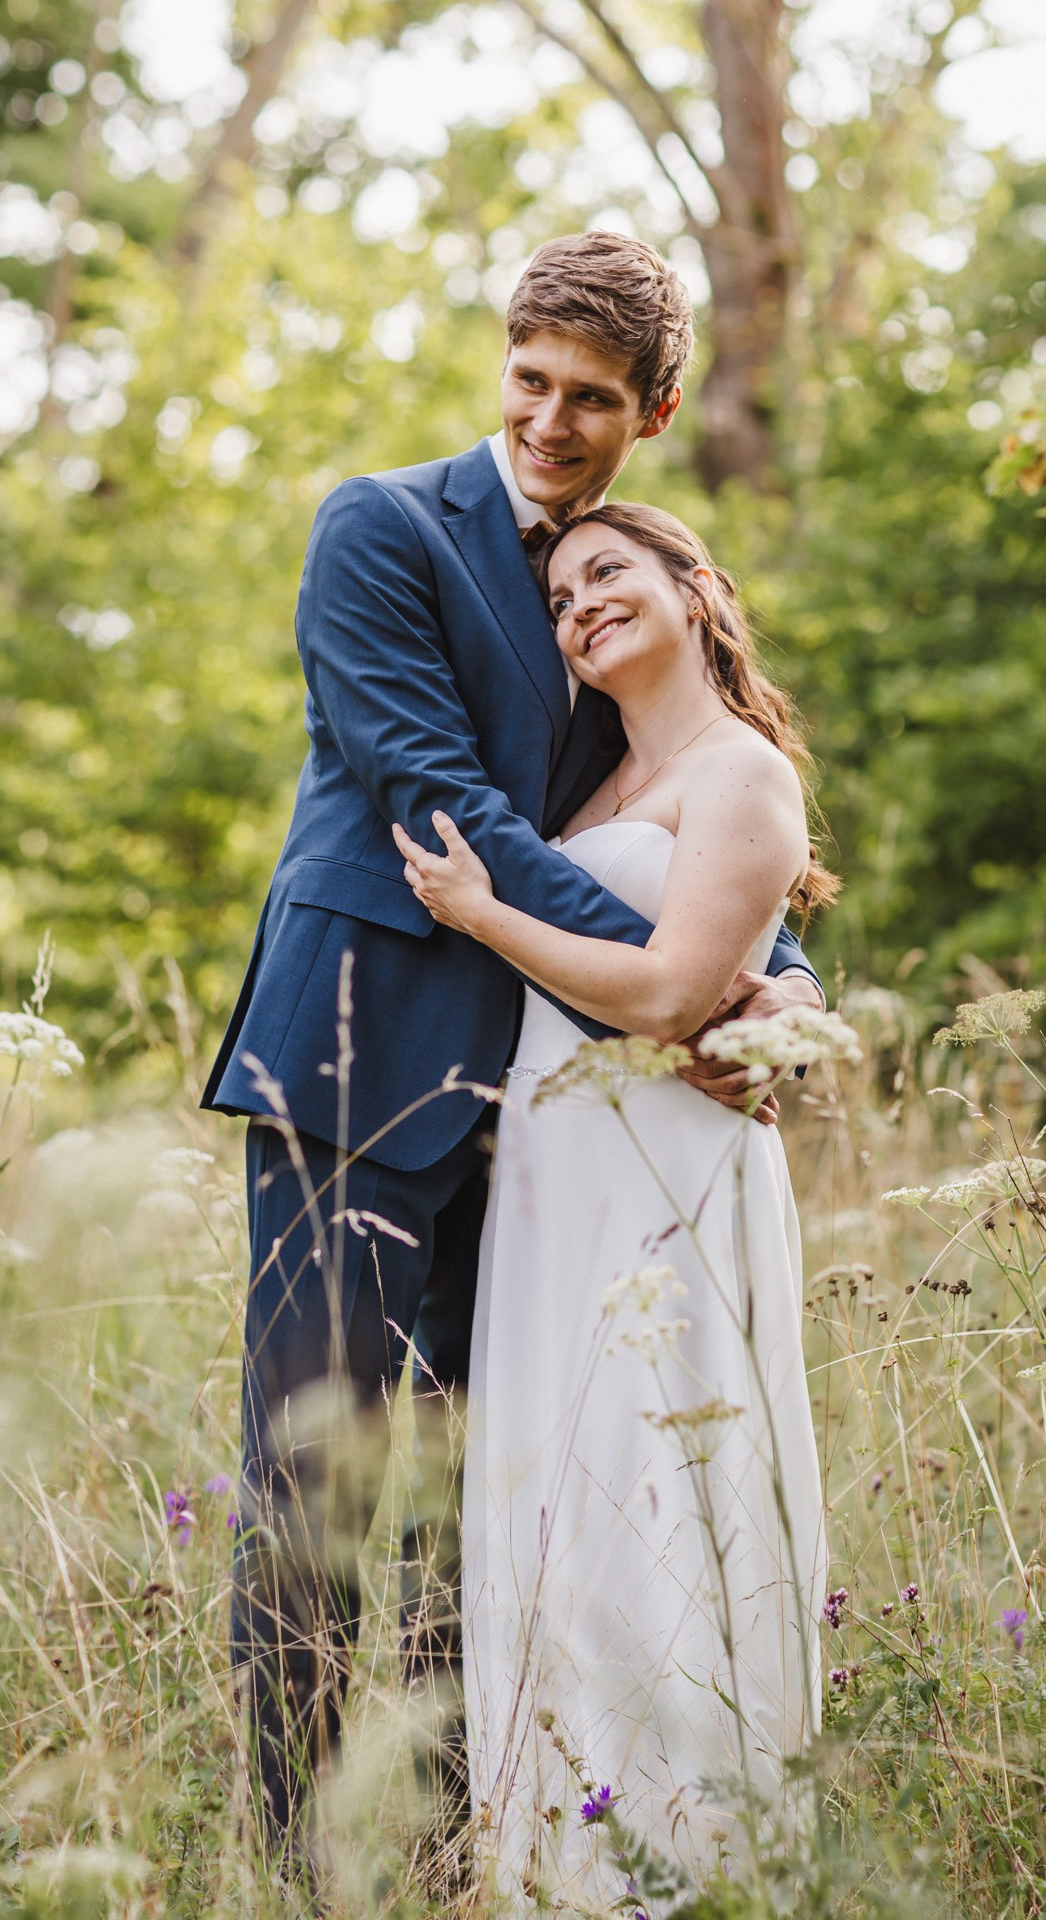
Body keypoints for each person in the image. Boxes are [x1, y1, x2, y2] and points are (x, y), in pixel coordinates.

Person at [200, 232, 825, 1879]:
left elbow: (684, 797)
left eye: (591, 398)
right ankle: (304, 1875)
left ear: (655, 412)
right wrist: (689, 996)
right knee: (316, 1490)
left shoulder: (616, 580)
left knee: (492, 1503)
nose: (550, 421)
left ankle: (463, 1857)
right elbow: (442, 800)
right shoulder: (382, 527)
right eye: (530, 381)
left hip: (550, 1132)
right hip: (355, 1070)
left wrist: (774, 981)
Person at [393, 502, 833, 1907]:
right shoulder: (588, 788)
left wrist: (481, 913)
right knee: (558, 1510)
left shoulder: (742, 769)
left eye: (608, 573)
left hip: (667, 1172)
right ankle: (559, 1869)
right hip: (552, 1182)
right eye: (561, 599)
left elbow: (667, 992)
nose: (579, 605)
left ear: (695, 589)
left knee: (663, 1490)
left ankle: (690, 1868)